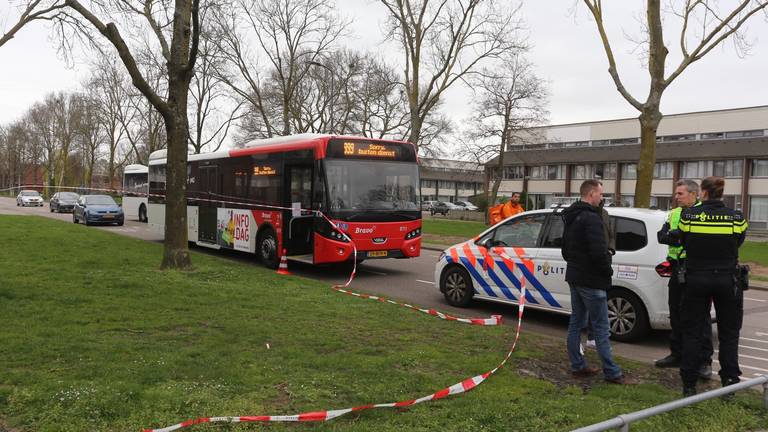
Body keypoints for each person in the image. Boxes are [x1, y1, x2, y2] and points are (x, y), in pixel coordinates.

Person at [676, 176, 747, 397]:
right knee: (729, 333)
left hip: (696, 279)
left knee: (693, 332)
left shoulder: (689, 215)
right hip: (727, 280)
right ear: (721, 193)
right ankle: (729, 383)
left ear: (703, 193)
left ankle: (689, 384)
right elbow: (739, 241)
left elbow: (684, 240)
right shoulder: (736, 217)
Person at [561, 179, 637, 385]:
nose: (602, 198)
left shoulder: (570, 216)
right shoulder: (592, 218)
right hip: (592, 280)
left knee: (576, 323)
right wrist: (607, 271)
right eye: (601, 194)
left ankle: (577, 366)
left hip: (575, 276)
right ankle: (612, 372)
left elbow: (565, 250)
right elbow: (598, 252)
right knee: (602, 327)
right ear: (591, 194)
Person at [654, 180, 714, 380]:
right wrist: (677, 237)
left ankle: (704, 361)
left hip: (696, 269)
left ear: (694, 194)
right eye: (676, 193)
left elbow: (691, 238)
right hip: (676, 268)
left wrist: (677, 237)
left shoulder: (704, 213)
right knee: (676, 313)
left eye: (680, 193)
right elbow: (662, 236)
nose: (676, 197)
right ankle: (677, 354)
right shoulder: (674, 213)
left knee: (700, 317)